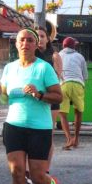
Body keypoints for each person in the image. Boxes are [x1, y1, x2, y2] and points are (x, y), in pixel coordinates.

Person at [0, 28, 63, 184]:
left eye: (30, 40)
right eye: (22, 40)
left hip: (39, 128)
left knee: (38, 177)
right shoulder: (10, 68)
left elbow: (59, 97)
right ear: (16, 44)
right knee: (16, 171)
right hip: (14, 125)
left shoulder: (44, 68)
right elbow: (6, 99)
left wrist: (39, 94)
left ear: (36, 44)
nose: (25, 43)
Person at [36, 27, 63, 167]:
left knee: (47, 135)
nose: (39, 39)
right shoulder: (30, 56)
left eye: (42, 36)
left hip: (50, 99)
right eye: (37, 36)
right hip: (33, 100)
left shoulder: (54, 56)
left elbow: (57, 79)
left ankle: (46, 168)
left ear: (48, 39)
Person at [58, 36, 88, 150]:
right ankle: (76, 139)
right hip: (77, 84)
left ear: (63, 46)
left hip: (63, 85)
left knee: (63, 114)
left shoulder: (58, 55)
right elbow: (85, 76)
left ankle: (68, 138)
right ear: (74, 46)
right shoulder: (80, 56)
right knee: (78, 111)